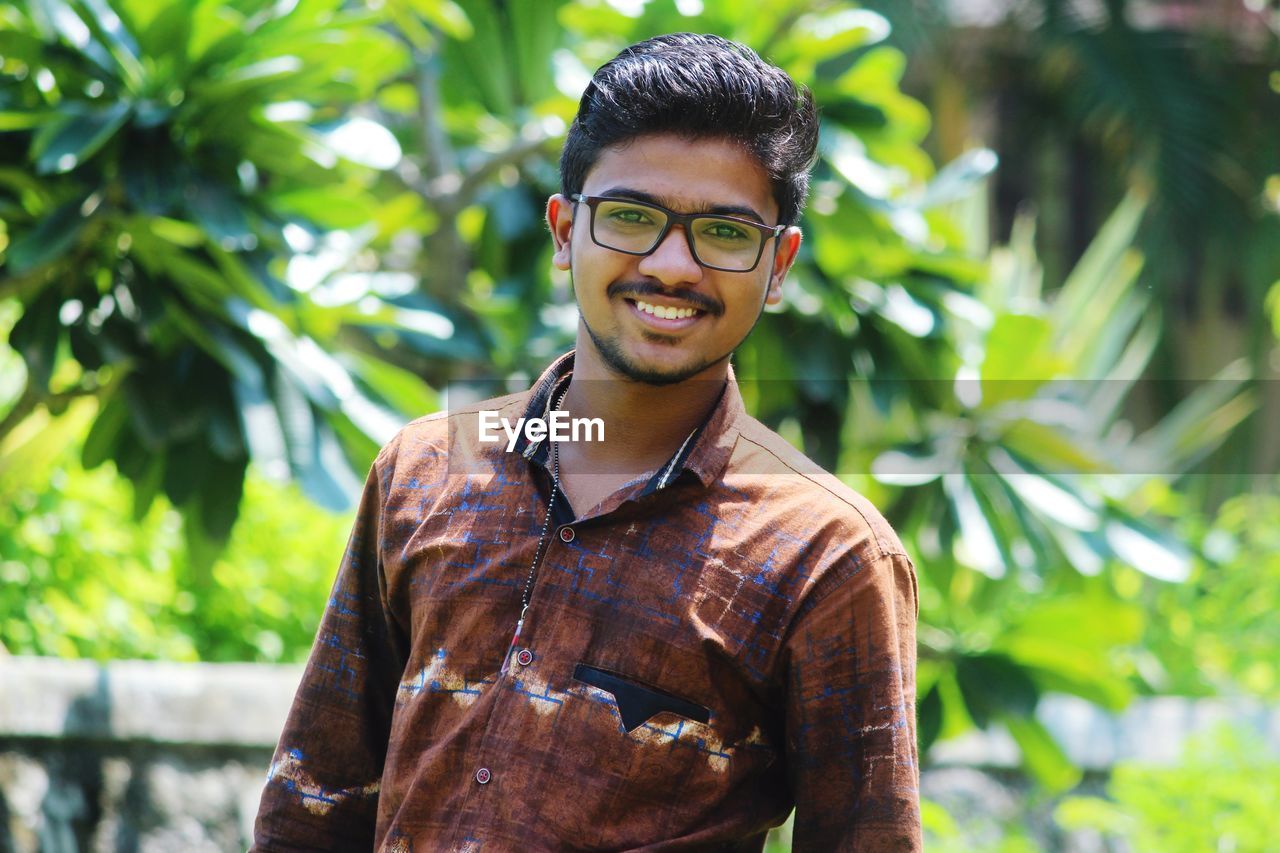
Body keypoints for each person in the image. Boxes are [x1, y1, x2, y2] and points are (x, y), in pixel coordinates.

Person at [253, 33, 921, 852]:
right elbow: (312, 804)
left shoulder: (826, 556)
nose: (673, 266)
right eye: (632, 218)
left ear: (778, 264)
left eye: (724, 233)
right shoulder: (424, 471)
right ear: (565, 229)